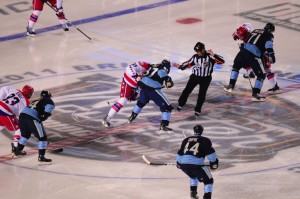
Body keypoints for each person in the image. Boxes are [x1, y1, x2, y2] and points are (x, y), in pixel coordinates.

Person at [224, 22, 277, 101]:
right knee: (261, 75)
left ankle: (230, 86)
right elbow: (268, 45)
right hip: (254, 55)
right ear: (271, 30)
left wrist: (237, 35)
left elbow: (245, 37)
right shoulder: (269, 35)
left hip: (243, 50)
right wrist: (272, 55)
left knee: (236, 67)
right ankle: (255, 94)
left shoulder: (256, 30)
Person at [176, 42, 225, 117]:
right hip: (195, 77)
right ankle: (180, 104)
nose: (197, 53)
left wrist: (214, 55)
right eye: (196, 51)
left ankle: (198, 109)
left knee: (202, 95)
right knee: (186, 91)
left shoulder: (210, 56)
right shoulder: (195, 57)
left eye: (198, 51)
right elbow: (188, 63)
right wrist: (180, 66)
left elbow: (222, 61)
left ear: (203, 50)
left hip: (206, 78)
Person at [127, 60, 175, 131]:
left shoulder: (154, 65)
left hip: (143, 86)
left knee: (141, 103)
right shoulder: (163, 70)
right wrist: (169, 82)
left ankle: (132, 116)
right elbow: (166, 78)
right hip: (153, 90)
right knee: (167, 108)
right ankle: (163, 125)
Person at [101, 61, 150, 127]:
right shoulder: (142, 65)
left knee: (143, 97)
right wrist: (135, 76)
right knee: (123, 100)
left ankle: (133, 115)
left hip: (137, 87)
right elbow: (129, 67)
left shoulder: (150, 70)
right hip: (128, 84)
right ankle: (107, 118)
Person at [176, 125, 219, 199]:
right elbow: (210, 153)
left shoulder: (186, 139)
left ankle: (193, 193)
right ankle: (207, 197)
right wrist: (213, 163)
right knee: (208, 180)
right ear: (202, 131)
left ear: (194, 131)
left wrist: (179, 163)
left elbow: (180, 152)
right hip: (196, 166)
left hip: (184, 165)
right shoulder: (205, 140)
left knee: (193, 176)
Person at [13, 91, 55, 165]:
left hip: (22, 116)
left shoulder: (36, 101)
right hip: (31, 118)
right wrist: (44, 116)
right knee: (42, 137)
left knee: (25, 135)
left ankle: (18, 151)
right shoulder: (47, 99)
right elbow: (49, 107)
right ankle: (41, 158)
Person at [0, 85, 34, 157]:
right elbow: (23, 116)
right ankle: (15, 148)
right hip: (5, 112)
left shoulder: (16, 90)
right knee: (20, 127)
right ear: (29, 93)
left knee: (0, 124)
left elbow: (4, 88)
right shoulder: (26, 102)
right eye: (31, 93)